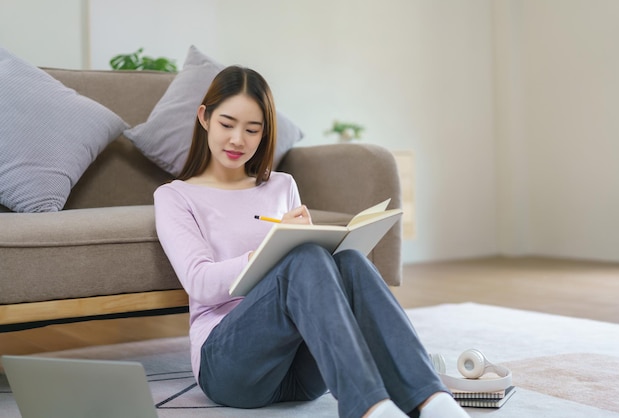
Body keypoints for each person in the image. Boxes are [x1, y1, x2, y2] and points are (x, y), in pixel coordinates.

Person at [154, 65, 470, 418]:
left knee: (348, 261)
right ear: (205, 118)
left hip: (301, 370)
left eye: (252, 129)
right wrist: (272, 251)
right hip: (230, 368)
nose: (237, 139)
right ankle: (370, 409)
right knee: (302, 259)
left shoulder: (282, 185)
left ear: (264, 133)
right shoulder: (175, 197)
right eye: (227, 124)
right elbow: (199, 283)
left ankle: (433, 401)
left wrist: (311, 245)